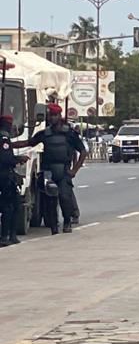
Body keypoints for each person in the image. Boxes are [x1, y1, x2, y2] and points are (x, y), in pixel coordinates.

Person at [13, 104, 84, 235]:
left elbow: (83, 151)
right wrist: (7, 144)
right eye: (50, 115)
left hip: (63, 171)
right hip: (48, 171)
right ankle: (54, 226)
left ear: (59, 116)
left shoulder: (69, 133)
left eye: (54, 115)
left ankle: (67, 221)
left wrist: (75, 170)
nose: (52, 118)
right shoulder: (44, 134)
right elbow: (29, 143)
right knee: (50, 201)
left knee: (64, 197)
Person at [0, 114, 27, 246]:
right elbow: (5, 159)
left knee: (10, 205)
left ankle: (9, 235)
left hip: (5, 175)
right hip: (4, 176)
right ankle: (7, 236)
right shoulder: (4, 139)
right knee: (10, 206)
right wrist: (18, 159)